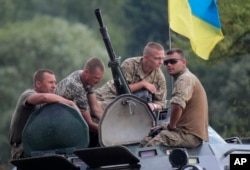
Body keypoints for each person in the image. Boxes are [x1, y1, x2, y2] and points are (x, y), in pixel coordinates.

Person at [141, 48, 208, 148]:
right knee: (148, 138)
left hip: (190, 136)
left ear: (184, 62)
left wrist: (171, 127)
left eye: (173, 61)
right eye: (166, 62)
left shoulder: (185, 79)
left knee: (154, 144)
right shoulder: (185, 78)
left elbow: (177, 106)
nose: (169, 65)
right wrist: (165, 126)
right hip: (183, 132)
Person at [9, 69, 79, 159]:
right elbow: (44, 97)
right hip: (22, 149)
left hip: (38, 147)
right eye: (50, 82)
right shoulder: (27, 95)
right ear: (38, 84)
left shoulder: (46, 105)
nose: (54, 86)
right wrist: (70, 103)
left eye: (55, 82)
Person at [95, 42, 167, 112]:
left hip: (130, 105)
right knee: (93, 108)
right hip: (110, 94)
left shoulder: (159, 78)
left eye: (162, 58)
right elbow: (121, 91)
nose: (161, 62)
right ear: (146, 58)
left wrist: (153, 106)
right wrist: (142, 84)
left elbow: (162, 103)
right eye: (157, 58)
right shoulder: (130, 64)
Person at [55, 57, 105, 147]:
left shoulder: (83, 76)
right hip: (59, 123)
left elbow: (96, 109)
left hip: (69, 116)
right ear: (87, 72)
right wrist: (109, 131)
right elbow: (88, 125)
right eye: (96, 78)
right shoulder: (77, 88)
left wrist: (109, 123)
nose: (98, 82)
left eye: (100, 79)